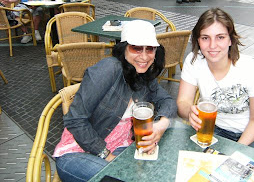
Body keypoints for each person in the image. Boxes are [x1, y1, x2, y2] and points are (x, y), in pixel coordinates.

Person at [53, 20, 177, 181]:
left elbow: (168, 101)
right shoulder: (108, 69)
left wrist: (161, 125)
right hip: (78, 151)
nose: (144, 56)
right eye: (136, 48)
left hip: (120, 147)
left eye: (150, 49)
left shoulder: (145, 76)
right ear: (123, 48)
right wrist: (108, 157)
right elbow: (75, 120)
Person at [177, 8, 254, 155]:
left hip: (253, 135)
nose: (212, 45)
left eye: (220, 37)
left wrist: (234, 152)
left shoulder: (252, 69)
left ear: (231, 39)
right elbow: (183, 102)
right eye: (205, 38)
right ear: (198, 40)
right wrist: (188, 112)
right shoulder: (194, 61)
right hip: (212, 130)